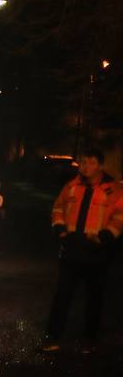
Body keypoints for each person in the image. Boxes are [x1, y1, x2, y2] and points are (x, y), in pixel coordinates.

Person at [40, 148, 123, 354]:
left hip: (97, 251)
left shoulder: (112, 190)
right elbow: (58, 208)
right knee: (62, 296)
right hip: (72, 249)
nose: (86, 167)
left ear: (101, 166)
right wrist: (59, 229)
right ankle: (52, 337)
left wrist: (106, 236)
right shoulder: (71, 186)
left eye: (91, 163)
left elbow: (120, 216)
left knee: (94, 298)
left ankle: (89, 339)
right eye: (84, 163)